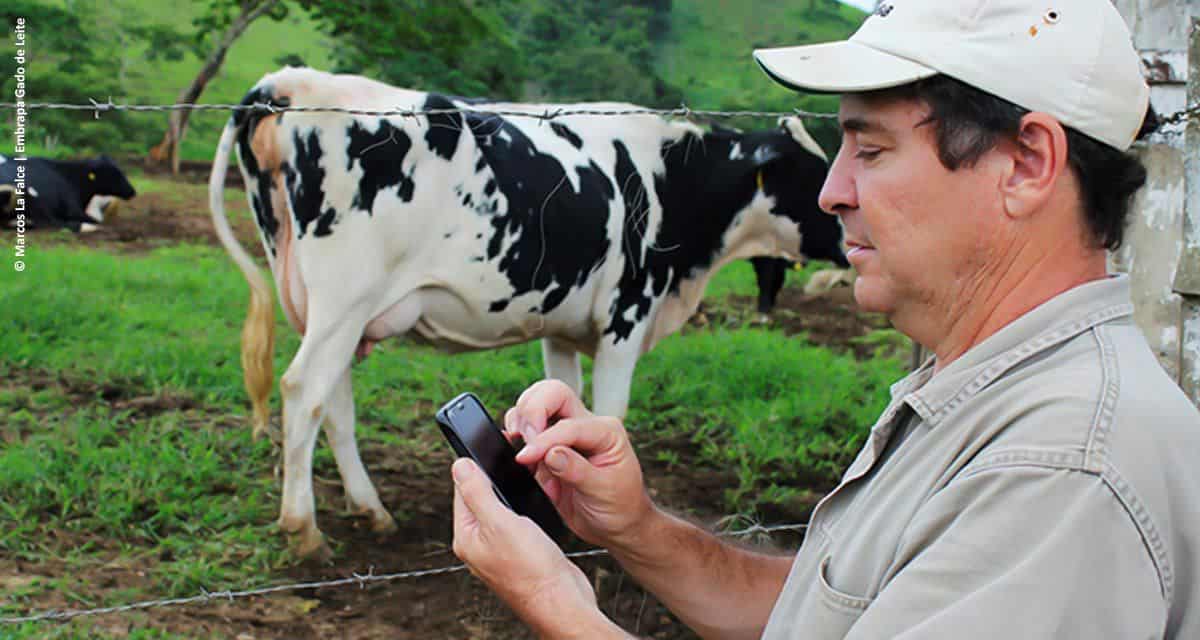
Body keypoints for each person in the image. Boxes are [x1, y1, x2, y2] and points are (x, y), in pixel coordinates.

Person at [450, 0, 1200, 637]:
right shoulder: (992, 390)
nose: (831, 192)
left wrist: (560, 606)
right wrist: (636, 529)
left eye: (870, 149)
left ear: (1030, 163)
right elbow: (836, 611)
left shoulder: (1059, 473)